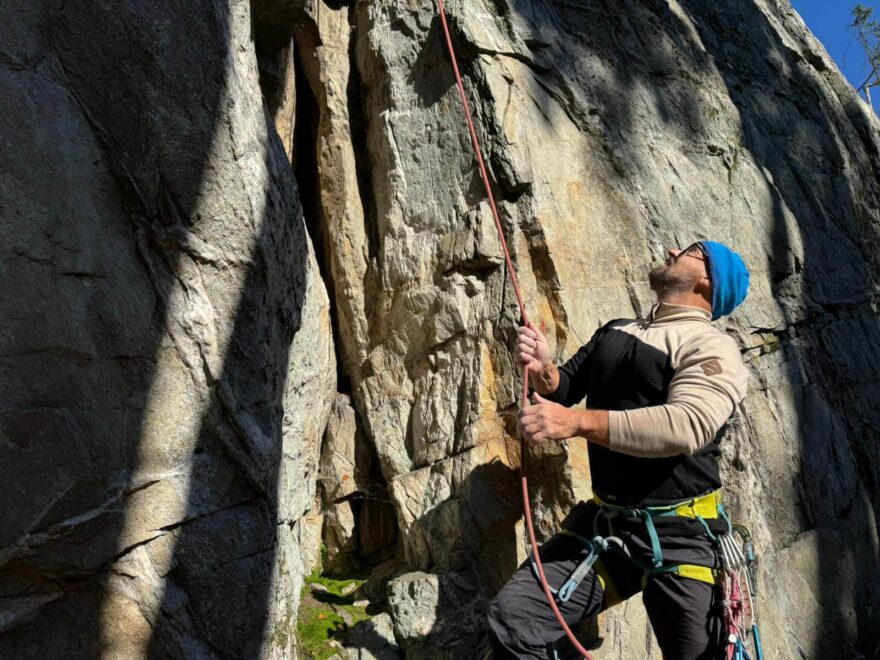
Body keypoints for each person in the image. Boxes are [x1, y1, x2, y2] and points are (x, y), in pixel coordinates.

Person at [487, 241, 751, 660]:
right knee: (514, 618)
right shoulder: (619, 330)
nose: (670, 250)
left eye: (688, 250)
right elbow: (566, 386)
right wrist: (544, 369)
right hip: (610, 530)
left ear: (707, 278)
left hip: (682, 538)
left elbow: (685, 426)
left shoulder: (710, 347)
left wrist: (575, 423)